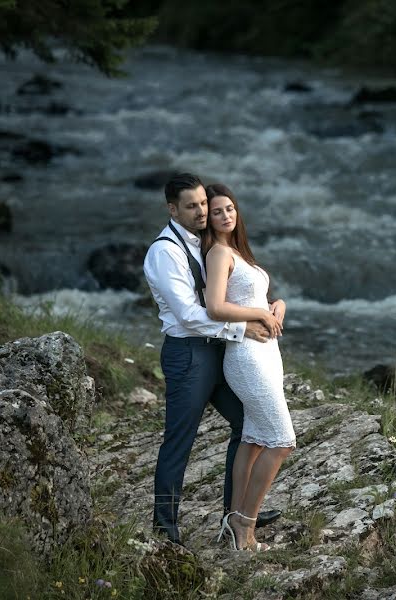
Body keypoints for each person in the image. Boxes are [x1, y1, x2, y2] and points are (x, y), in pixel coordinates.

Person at [143, 172, 282, 546]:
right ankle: (165, 527)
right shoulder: (165, 251)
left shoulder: (203, 243)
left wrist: (268, 306)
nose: (202, 211)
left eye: (204, 203)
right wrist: (244, 328)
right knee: (179, 439)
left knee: (246, 425)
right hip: (188, 355)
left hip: (215, 350)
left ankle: (233, 513)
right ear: (172, 209)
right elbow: (189, 314)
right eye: (192, 206)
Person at [201, 182, 296, 552]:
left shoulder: (239, 252)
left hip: (267, 354)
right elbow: (215, 307)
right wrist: (259, 312)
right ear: (208, 217)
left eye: (230, 209)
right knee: (283, 440)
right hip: (245, 357)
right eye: (218, 211)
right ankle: (245, 523)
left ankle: (233, 521)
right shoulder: (218, 254)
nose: (226, 215)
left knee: (255, 439)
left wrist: (278, 305)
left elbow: (257, 297)